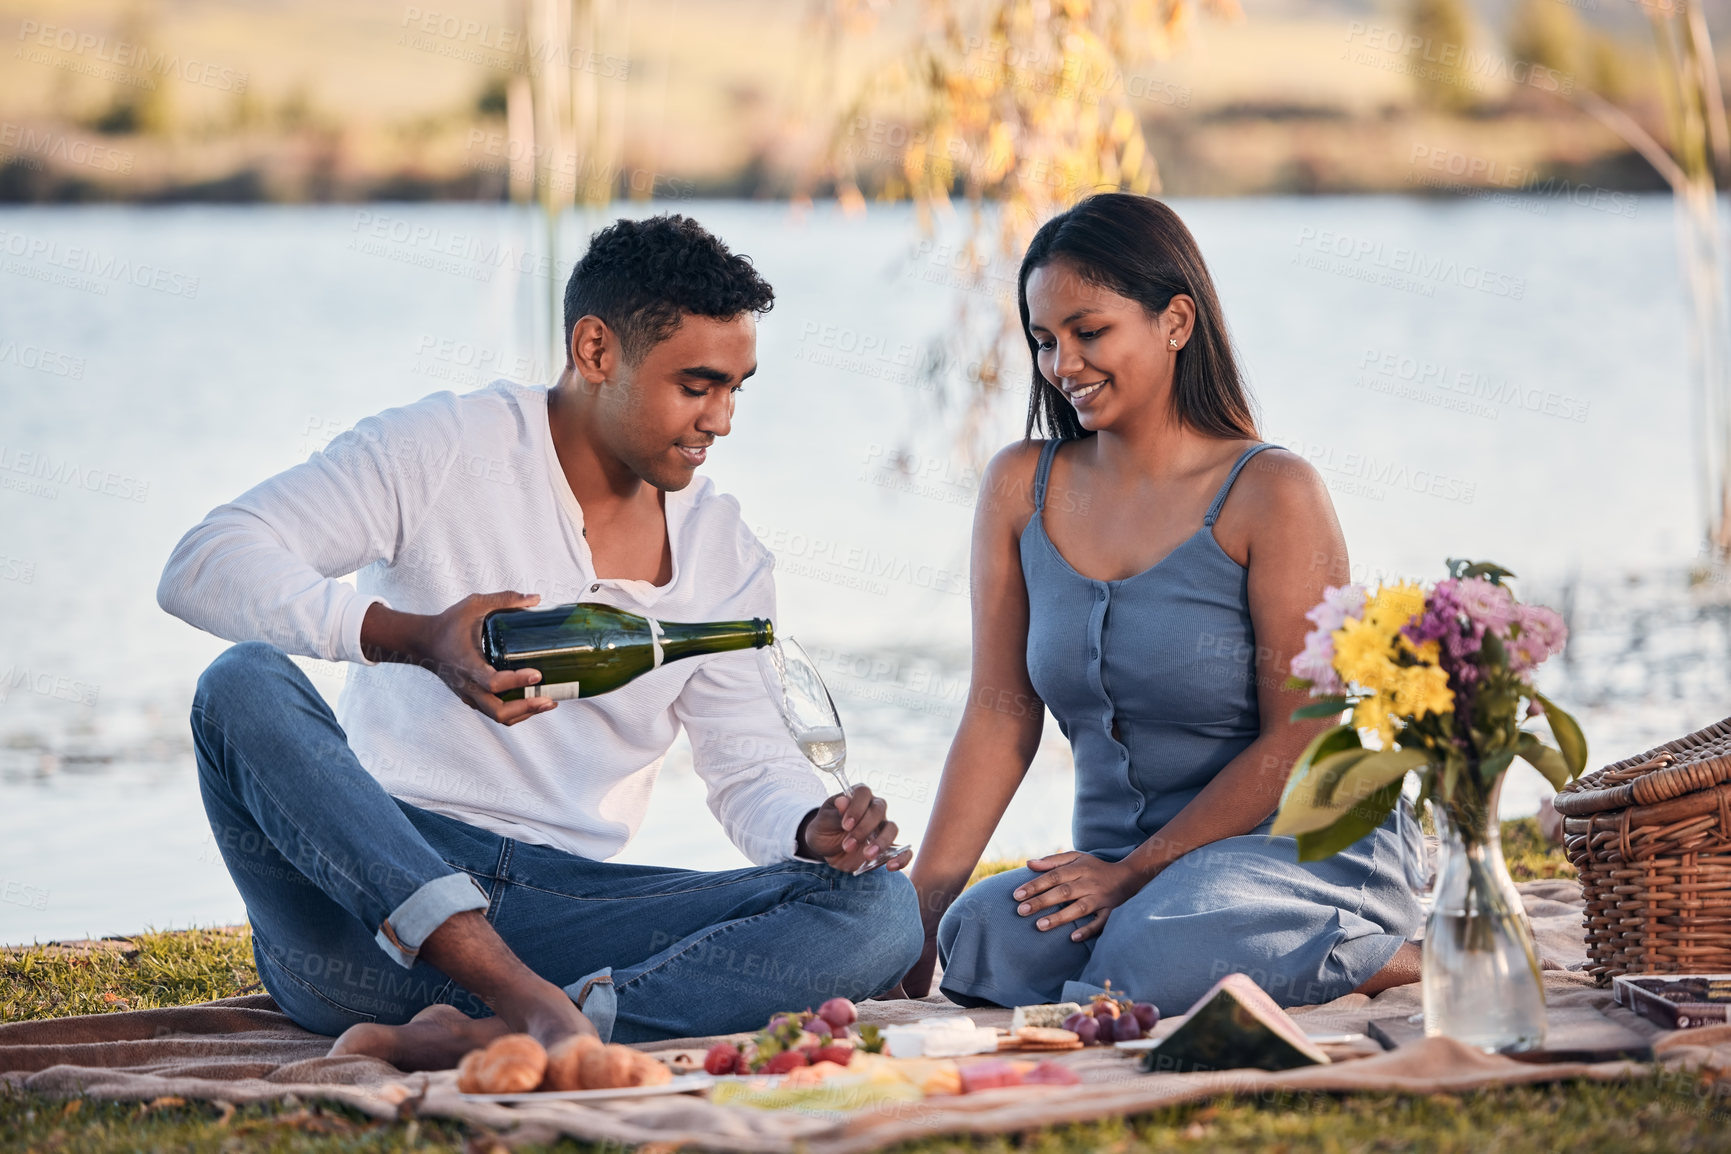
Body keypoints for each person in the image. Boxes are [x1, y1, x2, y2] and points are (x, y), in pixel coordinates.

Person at [158, 214, 921, 1069]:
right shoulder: (443, 448)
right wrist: (413, 639)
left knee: (880, 909)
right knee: (242, 683)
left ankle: (518, 1031)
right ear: (596, 351)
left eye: (738, 387)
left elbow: (748, 768)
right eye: (698, 384)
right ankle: (543, 1015)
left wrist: (809, 825)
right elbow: (204, 562)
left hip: (566, 909)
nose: (724, 419)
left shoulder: (723, 552)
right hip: (370, 906)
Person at [896, 193, 1425, 1015]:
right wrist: (919, 919)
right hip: (1125, 864)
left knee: (1149, 954)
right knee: (983, 938)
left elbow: (1302, 733)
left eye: (1088, 330)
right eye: (1043, 339)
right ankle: (1151, 930)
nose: (1061, 363)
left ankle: (1388, 954)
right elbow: (999, 716)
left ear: (1175, 320)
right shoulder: (1019, 487)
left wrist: (1134, 873)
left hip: (1290, 842)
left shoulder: (1272, 493)